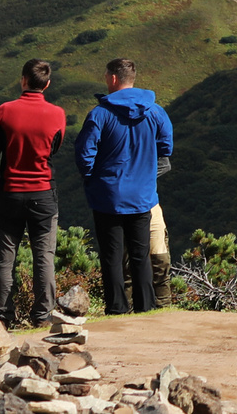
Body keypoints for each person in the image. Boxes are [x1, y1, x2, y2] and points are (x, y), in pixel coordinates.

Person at [74, 58, 172, 315]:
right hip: (142, 197)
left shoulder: (100, 114)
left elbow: (84, 155)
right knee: (141, 256)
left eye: (106, 75)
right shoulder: (155, 112)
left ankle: (117, 309)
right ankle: (146, 308)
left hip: (108, 197)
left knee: (112, 258)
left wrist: (93, 180)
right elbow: (166, 150)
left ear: (114, 78)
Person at [0, 59, 68, 326]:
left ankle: (3, 317)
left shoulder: (5, 111)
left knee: (5, 260)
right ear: (47, 84)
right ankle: (42, 316)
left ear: (23, 80)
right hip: (43, 193)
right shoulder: (58, 114)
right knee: (44, 257)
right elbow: (54, 149)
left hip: (9, 194)